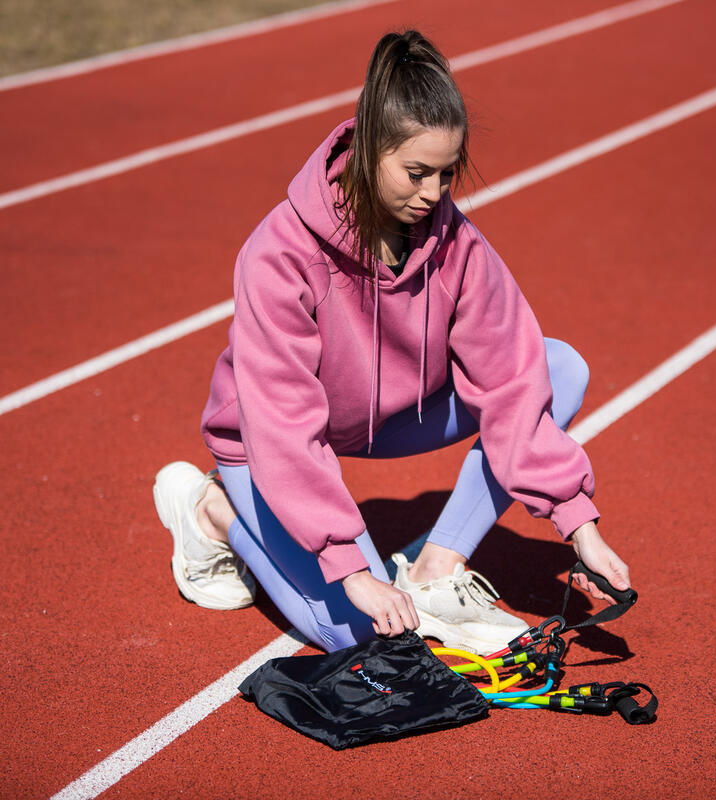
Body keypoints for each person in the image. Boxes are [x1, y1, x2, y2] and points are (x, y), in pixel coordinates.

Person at [153, 30, 630, 656]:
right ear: (369, 146)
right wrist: (350, 567)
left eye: (446, 173)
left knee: (554, 364)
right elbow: (286, 421)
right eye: (416, 172)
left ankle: (437, 569)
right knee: (354, 632)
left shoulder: (455, 244)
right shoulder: (278, 254)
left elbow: (513, 379)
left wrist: (578, 523)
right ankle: (211, 510)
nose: (433, 194)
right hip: (269, 441)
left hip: (394, 418)